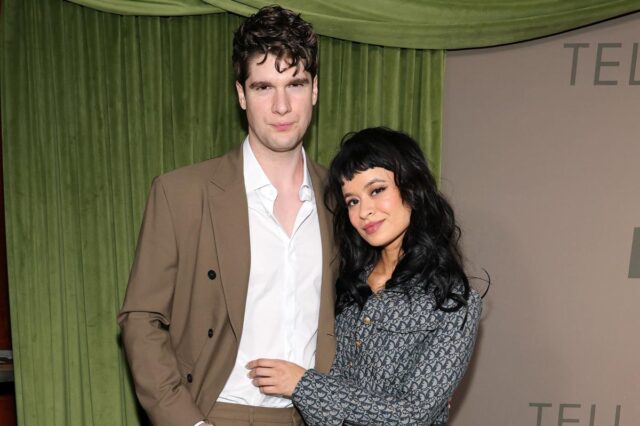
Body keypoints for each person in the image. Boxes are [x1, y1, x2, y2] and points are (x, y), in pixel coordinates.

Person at [117, 6, 336, 426]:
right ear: (241, 94)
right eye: (263, 87)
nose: (282, 106)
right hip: (218, 413)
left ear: (314, 90)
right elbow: (141, 319)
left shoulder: (341, 200)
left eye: (295, 84)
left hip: (315, 416)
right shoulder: (181, 193)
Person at [247, 127, 483, 425]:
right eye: (352, 201)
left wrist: (303, 385)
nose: (364, 211)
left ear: (412, 187)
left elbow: (411, 416)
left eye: (376, 190)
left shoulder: (452, 301)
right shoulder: (342, 282)